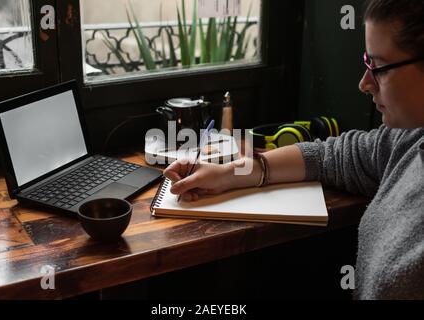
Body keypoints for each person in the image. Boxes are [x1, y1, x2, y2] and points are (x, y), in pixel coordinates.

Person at [163, 0, 424, 299]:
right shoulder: (409, 140)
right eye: (367, 63)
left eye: (378, 68)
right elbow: (332, 156)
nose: (364, 83)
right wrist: (230, 173)